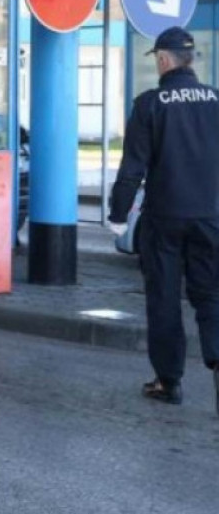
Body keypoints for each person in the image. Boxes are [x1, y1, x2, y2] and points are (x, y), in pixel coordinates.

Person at [109, 26, 219, 416]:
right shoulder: (215, 101)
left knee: (165, 299)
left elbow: (132, 168)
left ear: (163, 59)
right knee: (211, 296)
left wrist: (118, 216)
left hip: (165, 219)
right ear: (190, 60)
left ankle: (168, 382)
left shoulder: (150, 104)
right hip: (211, 217)